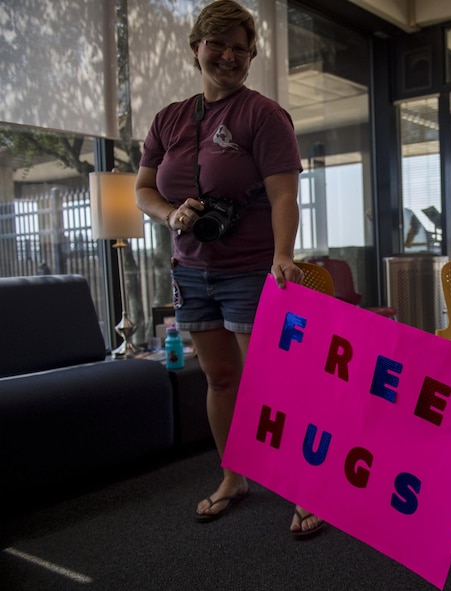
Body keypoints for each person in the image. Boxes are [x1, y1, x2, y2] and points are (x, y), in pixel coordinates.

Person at [134, 0, 326, 538]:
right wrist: (172, 213)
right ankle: (233, 477)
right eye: (218, 44)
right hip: (191, 271)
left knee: (275, 384)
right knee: (220, 378)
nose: (229, 56)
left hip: (250, 270)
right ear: (197, 48)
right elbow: (143, 190)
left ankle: (303, 487)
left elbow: (285, 195)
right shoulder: (169, 118)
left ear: (251, 57)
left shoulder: (262, 115)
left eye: (241, 49)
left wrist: (282, 256)